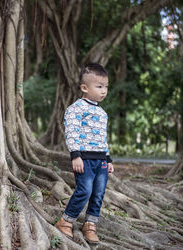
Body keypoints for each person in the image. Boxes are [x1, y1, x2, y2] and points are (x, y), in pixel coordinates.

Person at [55, 63, 114, 244]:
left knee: (98, 192)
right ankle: (66, 221)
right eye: (99, 86)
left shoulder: (102, 113)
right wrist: (76, 155)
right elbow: (71, 132)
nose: (103, 91)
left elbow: (102, 138)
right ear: (84, 88)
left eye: (105, 87)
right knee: (84, 190)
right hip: (84, 159)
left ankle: (90, 224)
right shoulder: (75, 109)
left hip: (101, 160)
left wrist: (108, 158)